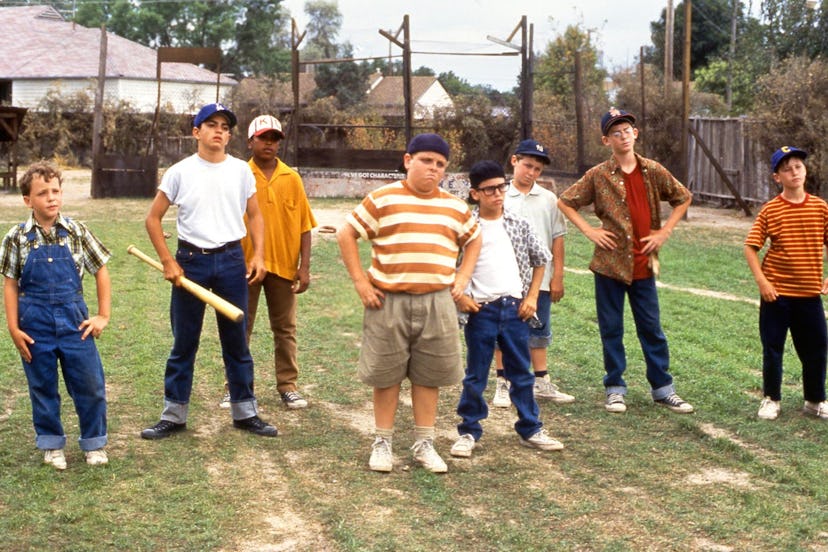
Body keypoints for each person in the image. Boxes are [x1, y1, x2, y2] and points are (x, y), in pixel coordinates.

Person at [336, 133, 481, 473]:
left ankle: (424, 443)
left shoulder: (454, 207)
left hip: (437, 303)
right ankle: (382, 442)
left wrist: (461, 280)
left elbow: (474, 240)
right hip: (389, 301)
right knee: (386, 375)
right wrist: (361, 282)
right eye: (426, 161)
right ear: (408, 160)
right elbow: (346, 234)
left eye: (440, 164)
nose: (433, 169)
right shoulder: (382, 199)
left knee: (428, 375)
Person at [141, 102, 278, 439]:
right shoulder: (179, 172)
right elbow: (152, 218)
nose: (220, 131)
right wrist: (169, 262)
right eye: (212, 124)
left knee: (236, 342)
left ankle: (245, 412)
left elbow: (255, 215)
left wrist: (257, 255)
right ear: (196, 132)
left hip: (232, 261)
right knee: (184, 342)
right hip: (191, 262)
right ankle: (173, 415)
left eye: (226, 126)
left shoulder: (241, 171)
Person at [557, 107, 694, 414]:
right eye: (616, 132)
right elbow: (565, 201)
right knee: (611, 328)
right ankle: (615, 388)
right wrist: (590, 232)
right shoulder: (598, 175)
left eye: (627, 130)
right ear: (607, 140)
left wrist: (664, 232)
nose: (623, 136)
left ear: (636, 134)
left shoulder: (653, 170)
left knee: (651, 328)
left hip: (644, 265)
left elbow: (683, 196)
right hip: (609, 266)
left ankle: (662, 389)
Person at [0, 162, 110, 469]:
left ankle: (94, 443)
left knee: (89, 384)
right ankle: (51, 444)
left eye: (56, 191)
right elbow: (10, 284)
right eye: (43, 193)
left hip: (75, 321)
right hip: (34, 323)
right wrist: (13, 328)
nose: (52, 198)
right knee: (43, 386)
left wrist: (102, 315)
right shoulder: (16, 237)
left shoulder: (77, 231)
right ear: (27, 200)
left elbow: (101, 269)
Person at [451, 160, 564, 458]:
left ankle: (531, 427)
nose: (497, 194)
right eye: (489, 190)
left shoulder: (517, 223)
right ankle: (469, 430)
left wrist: (530, 298)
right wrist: (461, 297)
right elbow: (450, 266)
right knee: (476, 374)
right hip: (481, 310)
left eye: (501, 187)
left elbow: (541, 258)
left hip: (515, 309)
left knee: (521, 374)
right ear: (475, 194)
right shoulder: (466, 228)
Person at [218, 115, 317, 410]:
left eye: (275, 138)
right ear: (250, 142)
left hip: (284, 266)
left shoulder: (292, 178)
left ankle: (288, 386)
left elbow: (305, 225)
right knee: (239, 326)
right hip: (243, 266)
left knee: (285, 328)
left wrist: (304, 266)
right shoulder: (237, 174)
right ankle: (234, 387)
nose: (269, 144)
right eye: (263, 138)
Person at [744, 146, 828, 420]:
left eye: (798, 167)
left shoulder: (820, 207)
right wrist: (763, 282)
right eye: (787, 168)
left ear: (805, 171)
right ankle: (771, 399)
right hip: (776, 296)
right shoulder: (771, 210)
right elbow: (750, 247)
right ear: (777, 177)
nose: (794, 172)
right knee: (773, 347)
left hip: (809, 295)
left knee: (816, 348)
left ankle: (815, 400)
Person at [492, 139, 573, 408]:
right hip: (506, 277)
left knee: (539, 329)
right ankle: (502, 383)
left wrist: (557, 275)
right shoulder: (499, 195)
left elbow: (557, 238)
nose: (531, 172)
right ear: (514, 161)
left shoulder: (549, 199)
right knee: (503, 329)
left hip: (541, 279)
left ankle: (541, 381)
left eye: (537, 169)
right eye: (527, 165)